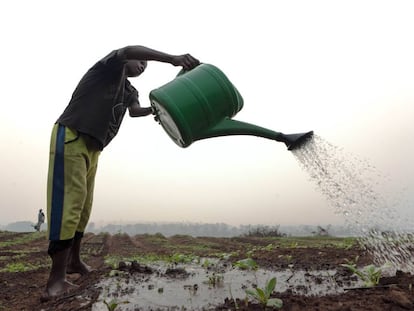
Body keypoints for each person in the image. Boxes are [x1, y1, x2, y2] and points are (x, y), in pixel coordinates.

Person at [44, 45, 200, 299]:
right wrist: (172, 59)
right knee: (69, 204)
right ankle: (55, 282)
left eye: (145, 65)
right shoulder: (109, 68)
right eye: (140, 61)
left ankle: (73, 262)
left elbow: (136, 111)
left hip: (95, 147)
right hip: (72, 135)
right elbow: (128, 50)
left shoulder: (130, 90)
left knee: (83, 207)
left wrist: (159, 110)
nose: (142, 66)